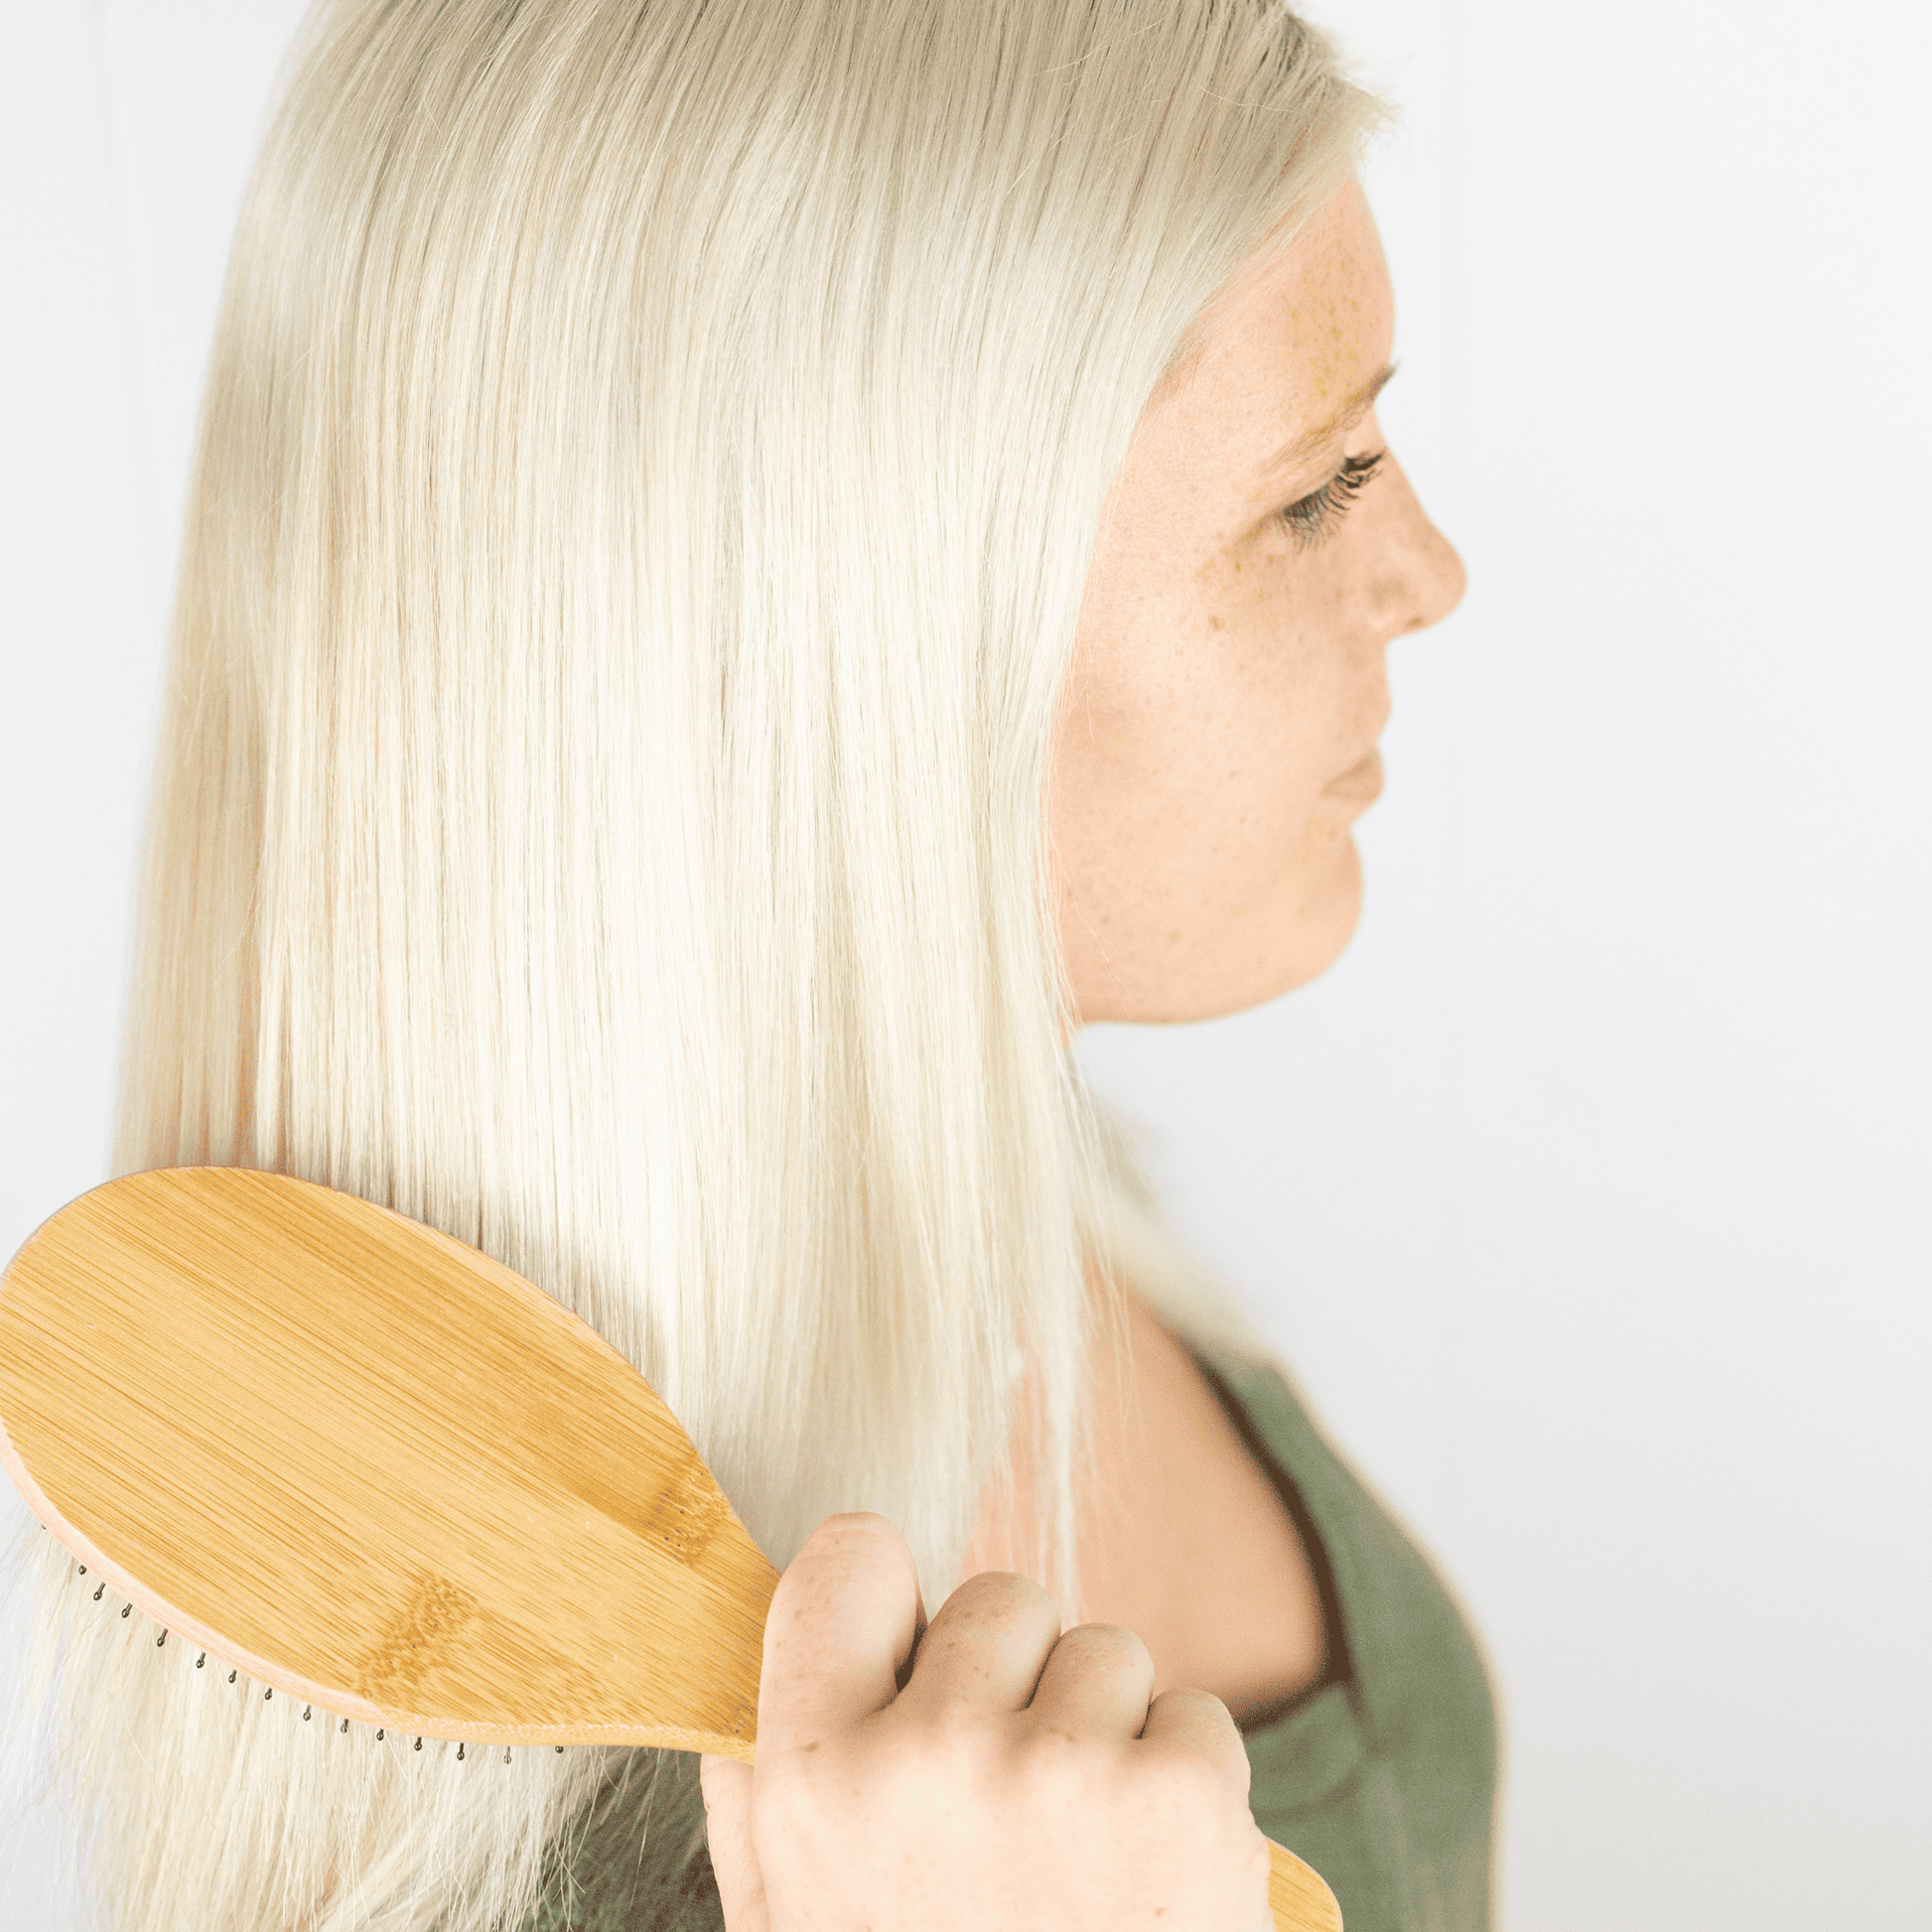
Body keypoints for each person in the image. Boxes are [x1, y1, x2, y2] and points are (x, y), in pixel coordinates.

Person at [3, 3, 1493, 1929]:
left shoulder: (1016, 1208)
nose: (1426, 569)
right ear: (836, 651)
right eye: (1314, 487)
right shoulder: (539, 1845)